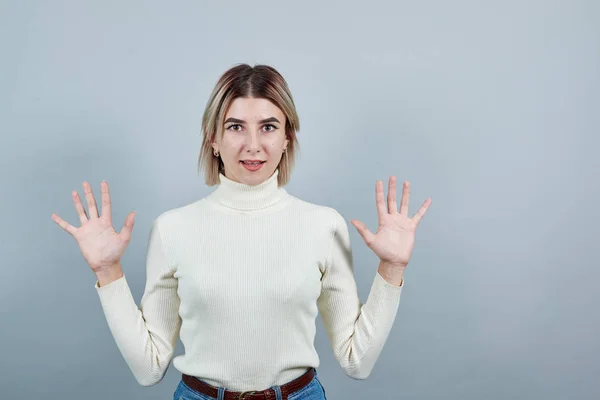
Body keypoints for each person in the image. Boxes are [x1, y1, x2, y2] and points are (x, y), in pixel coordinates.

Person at [51, 63, 431, 400]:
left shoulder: (323, 226)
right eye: (235, 127)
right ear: (213, 139)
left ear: (287, 138)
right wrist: (107, 272)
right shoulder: (172, 229)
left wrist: (392, 269)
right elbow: (149, 369)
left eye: (268, 127)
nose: (253, 145)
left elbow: (357, 360)